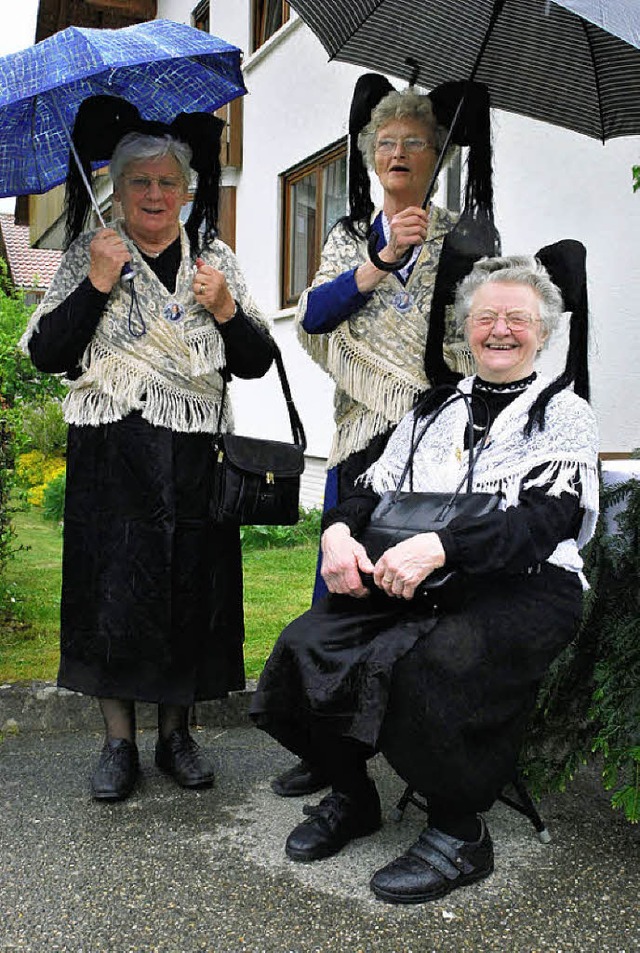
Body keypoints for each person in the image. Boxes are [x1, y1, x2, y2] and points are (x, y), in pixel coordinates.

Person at [251, 248, 599, 903]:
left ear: (544, 331)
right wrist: (337, 531)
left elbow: (543, 523)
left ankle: (460, 828)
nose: (499, 329)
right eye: (485, 316)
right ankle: (353, 795)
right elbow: (364, 486)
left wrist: (443, 545)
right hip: (420, 577)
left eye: (517, 319)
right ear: (466, 327)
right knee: (304, 645)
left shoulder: (564, 411)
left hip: (526, 586)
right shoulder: (433, 405)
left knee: (432, 666)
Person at [19, 96, 274, 802]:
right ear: (119, 190)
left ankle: (177, 737)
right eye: (140, 182)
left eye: (168, 182)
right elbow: (46, 351)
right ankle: (117, 744)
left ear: (188, 191)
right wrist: (97, 283)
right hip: (110, 457)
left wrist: (224, 309)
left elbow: (254, 361)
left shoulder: (214, 260)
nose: (155, 194)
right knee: (113, 595)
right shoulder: (89, 252)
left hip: (193, 460)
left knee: (189, 590)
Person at [274, 76, 500, 797]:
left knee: (416, 599)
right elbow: (313, 317)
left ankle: (422, 751)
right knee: (338, 598)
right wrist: (379, 262)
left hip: (428, 448)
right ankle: (331, 753)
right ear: (371, 157)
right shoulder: (349, 236)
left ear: (438, 158)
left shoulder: (464, 239)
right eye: (387, 143)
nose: (398, 152)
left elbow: (478, 341)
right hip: (358, 439)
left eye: (414, 143)